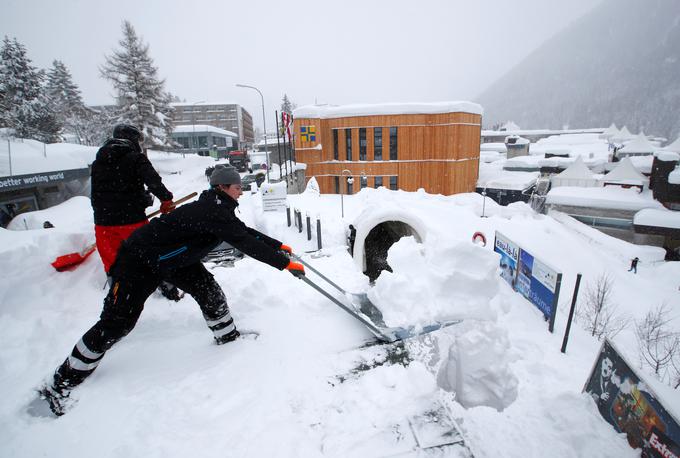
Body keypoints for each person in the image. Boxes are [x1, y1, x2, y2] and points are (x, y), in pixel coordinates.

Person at [35, 166, 305, 416]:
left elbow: (242, 231)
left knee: (209, 291)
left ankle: (228, 338)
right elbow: (243, 241)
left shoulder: (218, 208)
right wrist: (283, 264)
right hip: (140, 260)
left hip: (173, 259)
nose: (241, 191)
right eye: (237, 186)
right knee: (117, 323)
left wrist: (279, 245)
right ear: (223, 187)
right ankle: (62, 382)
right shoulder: (212, 210)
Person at [90, 124, 175, 275]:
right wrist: (166, 200)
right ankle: (167, 290)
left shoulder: (98, 162)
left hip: (103, 225)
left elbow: (96, 193)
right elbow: (153, 181)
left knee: (113, 264)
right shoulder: (135, 158)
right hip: (132, 221)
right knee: (149, 255)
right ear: (133, 139)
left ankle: (117, 294)